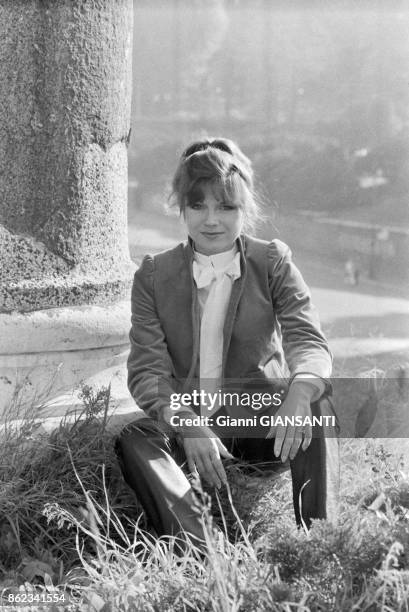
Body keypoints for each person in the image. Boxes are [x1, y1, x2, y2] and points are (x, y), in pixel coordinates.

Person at [115, 137, 339, 547]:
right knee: (136, 438)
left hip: (260, 426)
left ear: (245, 209)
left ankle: (318, 537)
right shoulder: (152, 275)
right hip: (195, 433)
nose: (211, 220)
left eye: (226, 206)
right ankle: (201, 548)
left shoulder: (272, 261)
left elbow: (308, 339)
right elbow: (147, 371)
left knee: (317, 405)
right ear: (181, 206)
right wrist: (187, 422)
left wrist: (300, 392)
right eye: (198, 205)